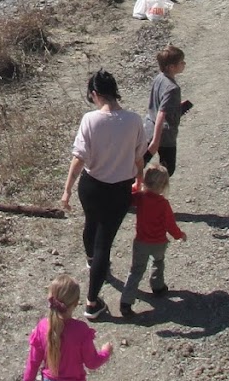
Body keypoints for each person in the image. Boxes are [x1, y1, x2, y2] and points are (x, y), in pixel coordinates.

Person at [61, 70, 147, 320]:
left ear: (96, 94)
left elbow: (79, 158)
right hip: (119, 190)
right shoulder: (134, 121)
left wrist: (67, 190)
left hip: (90, 187)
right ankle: (91, 303)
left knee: (91, 226)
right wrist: (139, 181)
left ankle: (92, 263)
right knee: (104, 243)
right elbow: (138, 157)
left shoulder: (89, 120)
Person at [120, 164, 186, 317]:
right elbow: (170, 225)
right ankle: (157, 287)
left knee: (136, 271)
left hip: (141, 242)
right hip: (159, 243)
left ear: (145, 181)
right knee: (158, 262)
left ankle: (126, 302)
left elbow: (128, 198)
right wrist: (179, 235)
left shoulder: (140, 198)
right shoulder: (164, 204)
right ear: (163, 186)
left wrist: (135, 187)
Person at [142, 45, 191, 177]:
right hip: (164, 135)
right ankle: (151, 189)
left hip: (149, 127)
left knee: (141, 162)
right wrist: (155, 141)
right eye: (181, 62)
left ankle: (137, 184)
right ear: (171, 67)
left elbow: (160, 105)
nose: (184, 64)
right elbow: (161, 113)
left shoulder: (159, 78)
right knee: (168, 169)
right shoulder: (172, 88)